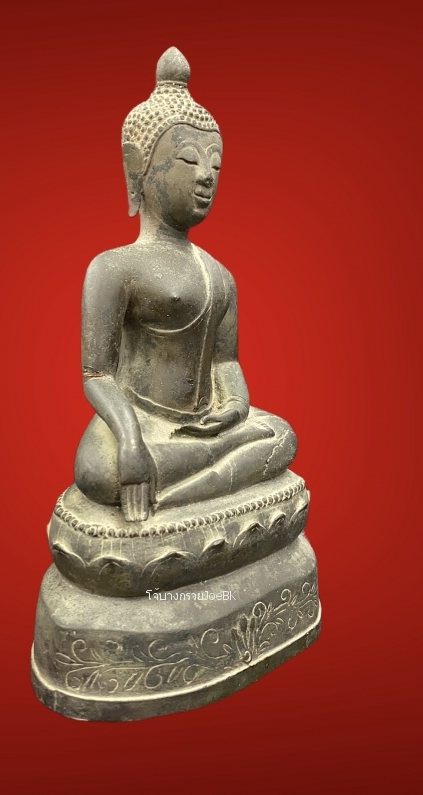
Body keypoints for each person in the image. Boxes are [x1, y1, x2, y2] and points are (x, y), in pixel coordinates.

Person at [75, 48, 296, 522]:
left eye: (215, 165)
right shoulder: (114, 267)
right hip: (139, 422)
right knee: (99, 471)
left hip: (205, 429)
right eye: (189, 160)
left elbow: (225, 362)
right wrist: (130, 441)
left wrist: (234, 408)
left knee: (281, 436)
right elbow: (97, 376)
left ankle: (182, 489)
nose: (205, 177)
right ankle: (200, 480)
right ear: (139, 166)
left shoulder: (220, 275)